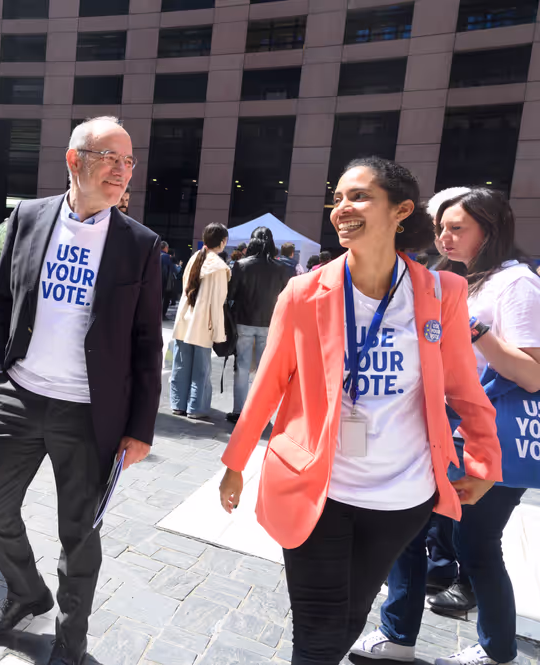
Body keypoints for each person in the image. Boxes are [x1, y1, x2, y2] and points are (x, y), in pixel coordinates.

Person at [218, 156, 502, 665]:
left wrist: (484, 461)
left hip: (403, 496)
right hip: (318, 486)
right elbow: (267, 385)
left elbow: (464, 388)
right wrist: (234, 462)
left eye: (358, 196)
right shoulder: (305, 292)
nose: (341, 208)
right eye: (338, 198)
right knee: (318, 628)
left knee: (349, 616)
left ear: (402, 210)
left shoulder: (443, 292)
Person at [0, 116, 162, 665]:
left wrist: (140, 427)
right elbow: (4, 299)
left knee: (79, 534)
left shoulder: (140, 245)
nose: (122, 171)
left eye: (129, 162)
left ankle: (70, 640)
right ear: (75, 159)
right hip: (20, 394)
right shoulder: (29, 216)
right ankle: (27, 592)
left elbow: (148, 342)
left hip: (89, 413)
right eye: (110, 158)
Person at [352, 187, 539, 665]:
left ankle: (496, 650)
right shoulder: (464, 278)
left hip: (487, 436)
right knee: (411, 532)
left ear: (489, 231)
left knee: (474, 544)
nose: (445, 236)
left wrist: (475, 331)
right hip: (447, 431)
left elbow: (533, 374)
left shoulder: (516, 283)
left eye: (458, 228)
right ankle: (397, 637)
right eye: (442, 228)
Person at [226, 226, 293, 424]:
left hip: (244, 320)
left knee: (242, 367)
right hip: (270, 323)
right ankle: (261, 412)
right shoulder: (282, 268)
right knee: (265, 371)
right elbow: (285, 298)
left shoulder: (241, 265)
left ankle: (239, 411)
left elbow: (231, 295)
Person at [170, 223, 229, 420]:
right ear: (222, 242)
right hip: (203, 323)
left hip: (184, 318)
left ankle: (178, 404)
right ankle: (196, 407)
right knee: (200, 369)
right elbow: (217, 303)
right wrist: (219, 332)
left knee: (181, 365)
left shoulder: (194, 258)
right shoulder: (219, 267)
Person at [160, 241, 175, 319]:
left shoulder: (154, 254)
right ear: (165, 248)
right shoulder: (167, 257)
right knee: (165, 299)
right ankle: (162, 315)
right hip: (164, 281)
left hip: (153, 282)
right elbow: (170, 270)